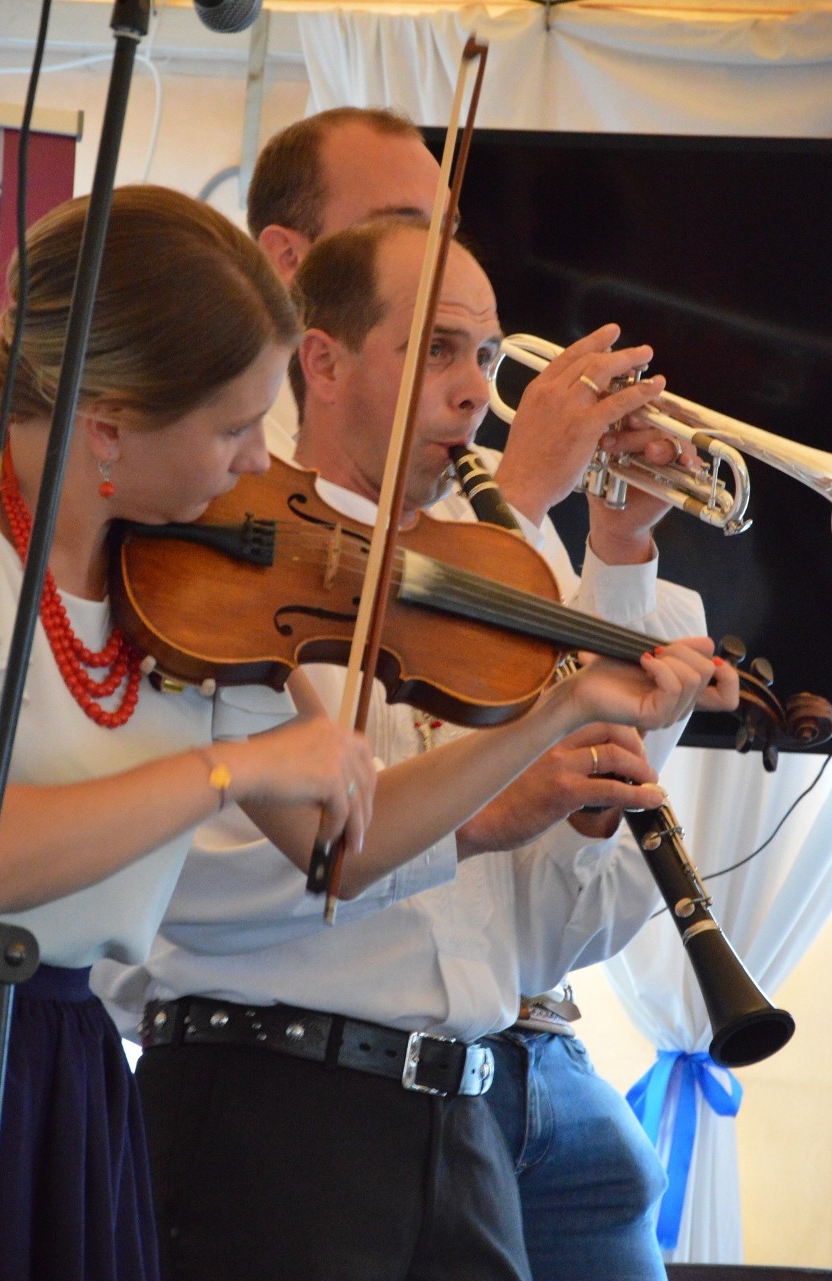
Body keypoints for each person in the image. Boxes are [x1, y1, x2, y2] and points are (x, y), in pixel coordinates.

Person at [0, 187, 716, 1281]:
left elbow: (346, 847)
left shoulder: (184, 582)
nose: (250, 468)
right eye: (234, 429)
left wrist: (560, 712)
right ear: (109, 424)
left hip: (68, 1062)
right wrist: (228, 767)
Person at [253, 108, 704, 1280]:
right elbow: (293, 863)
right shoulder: (248, 534)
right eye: (439, 345)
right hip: (315, 1097)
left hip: (514, 1077)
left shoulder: (511, 540)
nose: (475, 385)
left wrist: (615, 555)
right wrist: (528, 502)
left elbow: (554, 934)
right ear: (309, 306)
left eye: (486, 351)